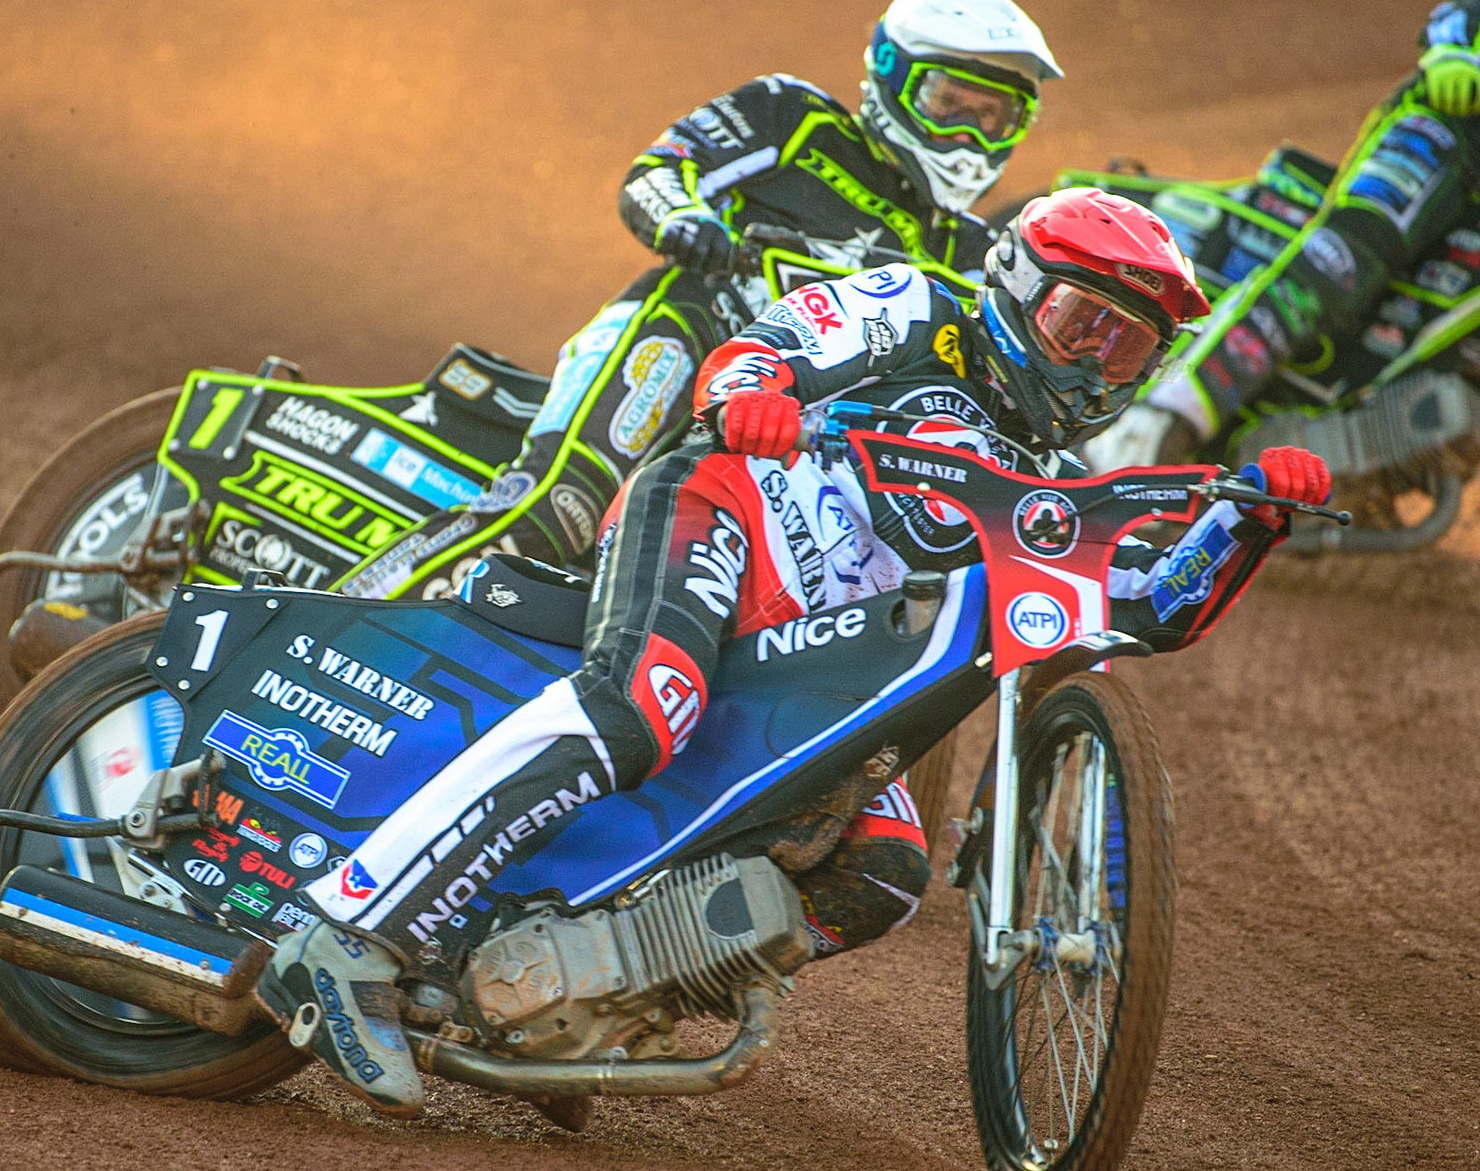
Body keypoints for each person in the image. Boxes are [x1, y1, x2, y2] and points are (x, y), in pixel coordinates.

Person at [257, 189, 1333, 1118]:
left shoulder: (1060, 482)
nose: (1097, 363)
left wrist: (1253, 522)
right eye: (1079, 323)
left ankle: (582, 1003)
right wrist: (750, 400)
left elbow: (1149, 608)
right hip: (721, 511)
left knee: (882, 870)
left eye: (1128, 346)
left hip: (811, 661)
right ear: (1012, 283)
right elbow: (765, 345)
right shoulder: (920, 305)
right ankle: (349, 933)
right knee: (642, 705)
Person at [334, 0, 1063, 600]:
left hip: (797, 438)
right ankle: (333, 624)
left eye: (991, 116)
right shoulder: (796, 120)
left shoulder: (974, 255)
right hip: (683, 338)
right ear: (889, 76)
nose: (968, 136)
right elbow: (658, 171)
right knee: (560, 507)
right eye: (950, 103)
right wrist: (685, 220)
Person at [1086, 0, 1480, 470]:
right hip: (1459, 129)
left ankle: (1372, 461)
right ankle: (1160, 420)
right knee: (1345, 258)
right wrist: (1458, 52)